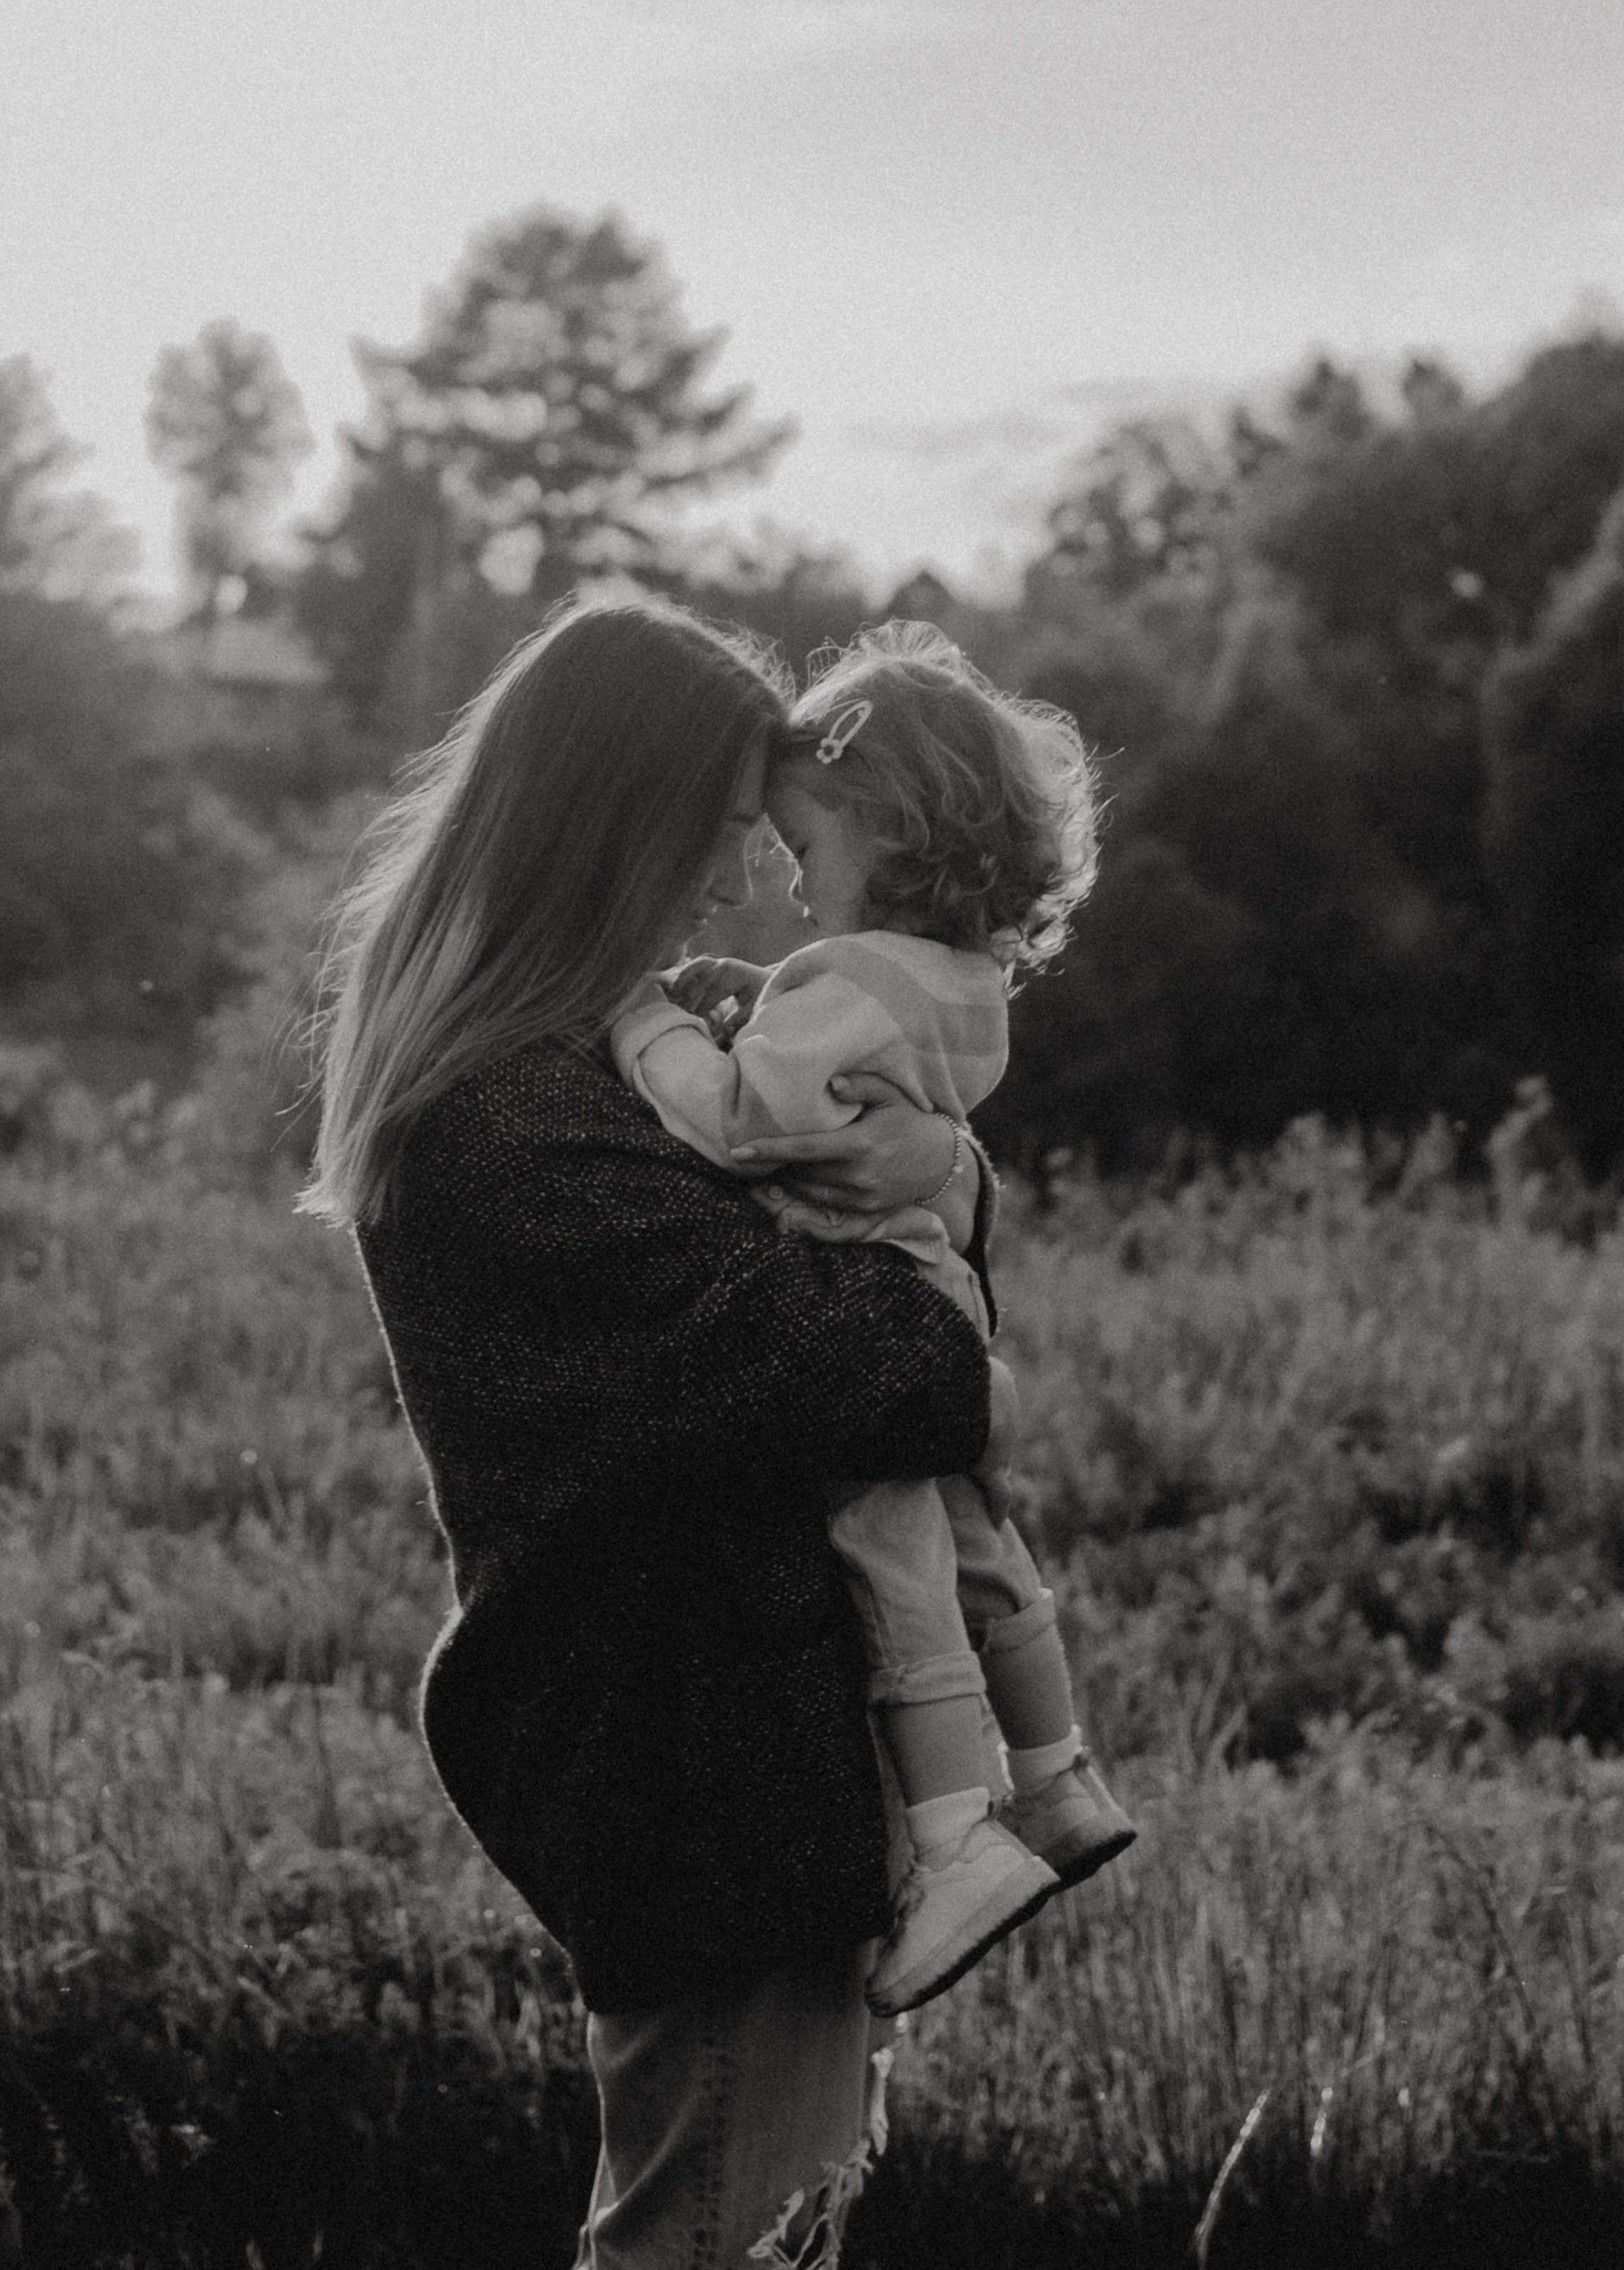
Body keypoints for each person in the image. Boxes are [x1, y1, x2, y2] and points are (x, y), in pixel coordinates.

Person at [305, 590, 1009, 2267]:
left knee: (743, 2231)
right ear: (608, 832)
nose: (734, 887)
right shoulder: (513, 1122)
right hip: (694, 1777)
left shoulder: (570, 1075)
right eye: (706, 841)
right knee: (709, 2245)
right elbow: (909, 1374)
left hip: (725, 1765)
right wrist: (950, 1190)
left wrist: (937, 1190)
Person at [610, 621, 1135, 2019]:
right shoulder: (964, 984)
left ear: (881, 820)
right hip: (934, 1288)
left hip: (855, 1302)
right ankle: (1058, 1774)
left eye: (797, 847)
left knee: (890, 1559)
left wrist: (645, 1030)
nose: (785, 887)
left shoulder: (845, 978)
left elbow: (748, 1120)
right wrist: (767, 1017)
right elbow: (862, 1101)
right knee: (981, 1550)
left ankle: (960, 1842)